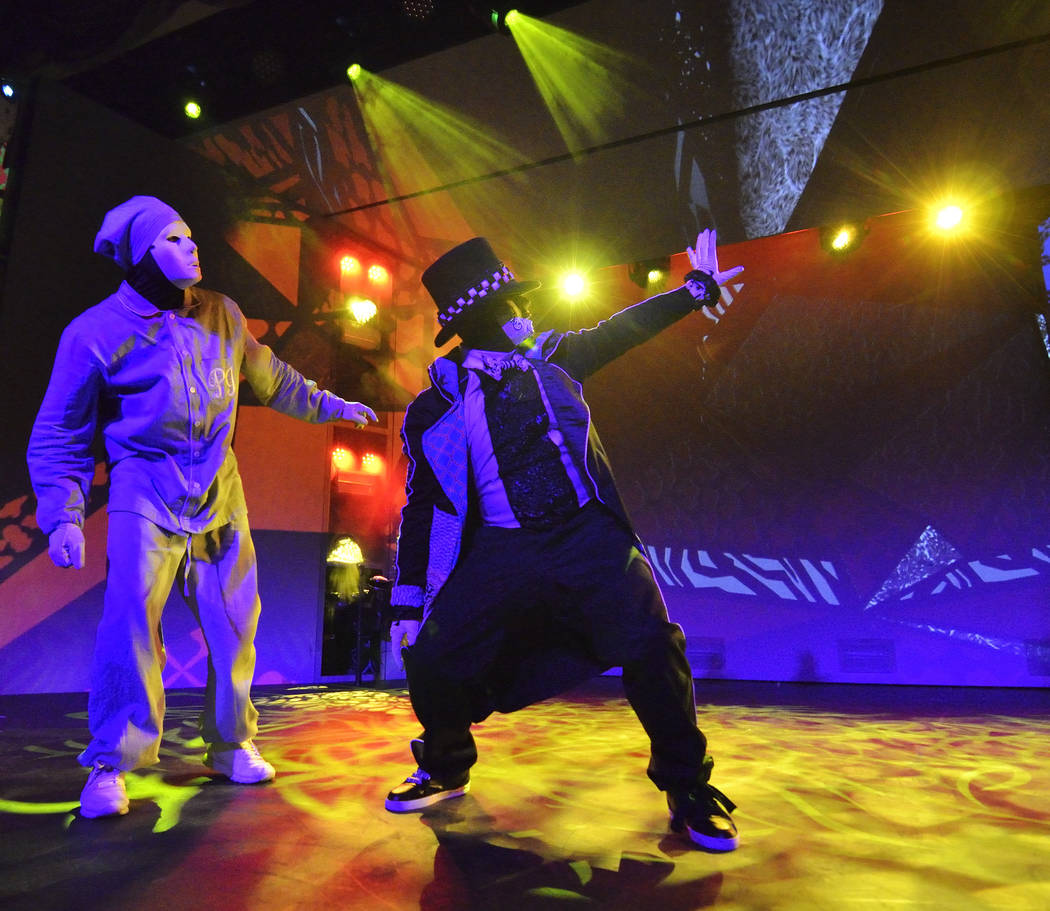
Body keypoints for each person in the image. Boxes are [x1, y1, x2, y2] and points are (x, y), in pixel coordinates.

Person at [383, 231, 743, 851]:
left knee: (653, 643)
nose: (527, 315)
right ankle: (444, 767)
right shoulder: (435, 405)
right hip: (503, 547)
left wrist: (694, 290)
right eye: (516, 307)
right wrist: (407, 599)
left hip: (586, 536)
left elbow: (621, 329)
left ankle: (686, 786)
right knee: (434, 657)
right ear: (492, 316)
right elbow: (421, 506)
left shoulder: (554, 359)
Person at [26, 195, 378, 818]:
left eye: (190, 236)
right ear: (141, 254)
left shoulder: (224, 315)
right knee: (130, 627)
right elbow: (60, 432)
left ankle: (233, 742)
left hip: (221, 492)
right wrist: (63, 514)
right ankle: (113, 763)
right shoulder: (95, 332)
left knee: (236, 623)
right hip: (144, 491)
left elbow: (275, 380)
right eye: (173, 239)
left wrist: (336, 407)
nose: (191, 248)